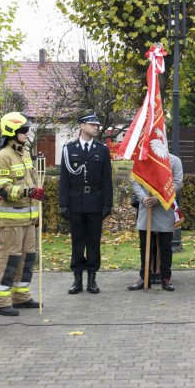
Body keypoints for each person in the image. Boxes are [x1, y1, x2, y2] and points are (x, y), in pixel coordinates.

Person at [0, 112, 45, 316]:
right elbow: (2, 188)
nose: (26, 133)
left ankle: (21, 296)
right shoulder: (4, 156)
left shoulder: (24, 153)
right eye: (23, 130)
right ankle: (2, 300)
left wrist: (35, 200)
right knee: (9, 260)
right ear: (11, 132)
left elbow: (31, 182)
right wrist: (27, 192)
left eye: (27, 130)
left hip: (29, 219)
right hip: (11, 220)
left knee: (27, 258)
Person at [59, 113, 114, 295]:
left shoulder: (102, 150)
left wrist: (107, 203)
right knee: (77, 242)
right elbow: (64, 179)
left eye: (97, 125)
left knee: (93, 241)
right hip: (75, 203)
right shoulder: (69, 149)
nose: (96, 128)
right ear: (82, 125)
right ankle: (77, 279)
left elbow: (107, 179)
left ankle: (92, 278)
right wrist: (63, 204)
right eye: (92, 124)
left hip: (95, 202)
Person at [129, 150, 183, 291]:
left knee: (165, 247)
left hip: (165, 208)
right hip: (146, 208)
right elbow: (134, 180)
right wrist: (143, 198)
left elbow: (177, 184)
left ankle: (165, 278)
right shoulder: (143, 158)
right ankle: (144, 277)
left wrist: (158, 199)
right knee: (145, 246)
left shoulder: (174, 160)